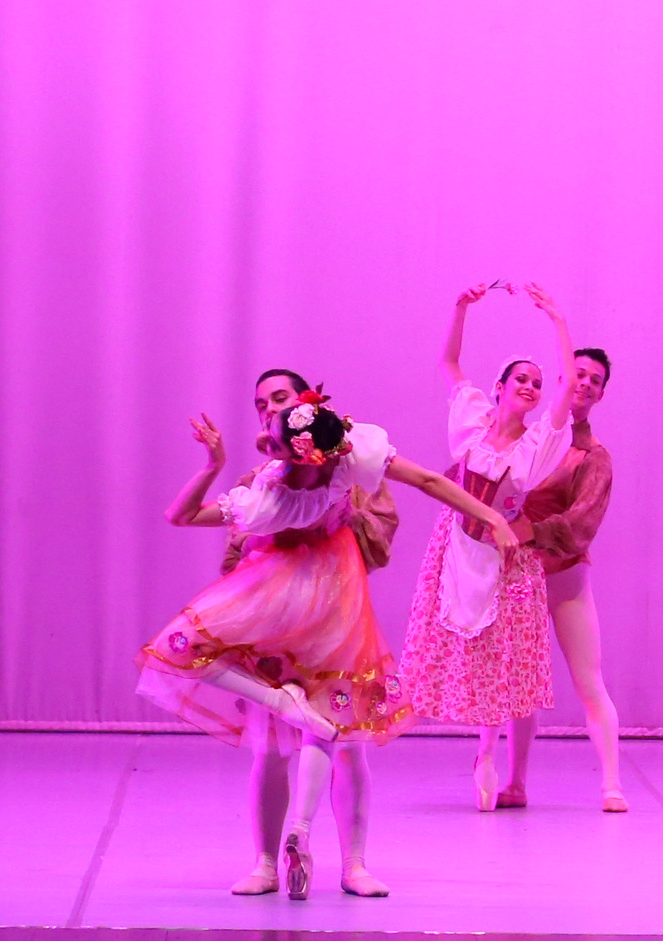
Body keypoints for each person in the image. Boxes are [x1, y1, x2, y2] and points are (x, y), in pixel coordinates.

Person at [138, 393, 519, 899]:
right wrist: (493, 517)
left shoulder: (275, 492)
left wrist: (213, 465)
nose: (264, 436)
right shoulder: (325, 468)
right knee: (297, 736)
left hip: (305, 596)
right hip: (306, 595)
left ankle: (337, 858)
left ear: (304, 448)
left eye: (275, 428)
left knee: (331, 733)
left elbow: (182, 515)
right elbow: (427, 481)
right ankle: (280, 850)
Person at [221, 369, 400, 897]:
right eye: (260, 403)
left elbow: (380, 535)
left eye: (279, 397)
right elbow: (235, 553)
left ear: (304, 405)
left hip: (335, 623)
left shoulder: (348, 468)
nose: (268, 408)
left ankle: (354, 864)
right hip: (274, 627)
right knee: (270, 748)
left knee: (347, 743)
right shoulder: (258, 482)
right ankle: (265, 862)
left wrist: (334, 516)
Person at [399, 282, 576, 812]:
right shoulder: (472, 425)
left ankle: (491, 755)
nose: (531, 387)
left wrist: (557, 319)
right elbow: (449, 363)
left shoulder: (537, 445)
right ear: (499, 387)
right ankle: (476, 749)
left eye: (537, 383)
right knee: (465, 647)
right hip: (455, 547)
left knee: (504, 657)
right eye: (521, 378)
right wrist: (460, 308)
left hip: (507, 560)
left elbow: (568, 385)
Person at [505, 346, 626, 811]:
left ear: (600, 394)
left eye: (595, 380)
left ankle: (611, 784)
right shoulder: (524, 437)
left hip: (564, 576)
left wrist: (531, 532)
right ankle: (513, 781)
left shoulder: (593, 456)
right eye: (579, 374)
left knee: (588, 680)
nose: (586, 383)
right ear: (561, 379)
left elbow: (582, 524)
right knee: (518, 684)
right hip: (518, 572)